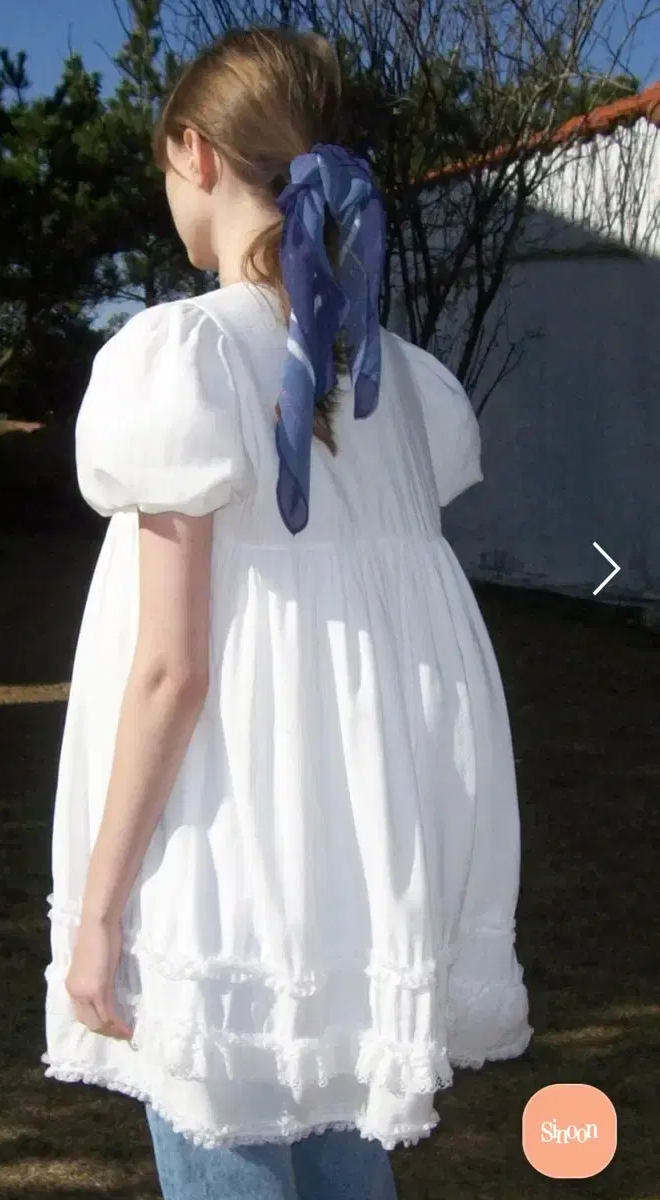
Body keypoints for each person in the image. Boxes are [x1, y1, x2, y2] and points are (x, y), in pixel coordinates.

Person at [42, 26, 532, 1200]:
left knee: (227, 1133)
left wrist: (98, 915)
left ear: (194, 152)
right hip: (356, 869)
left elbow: (172, 671)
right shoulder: (401, 387)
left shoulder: (187, 360)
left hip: (221, 858)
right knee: (341, 1153)